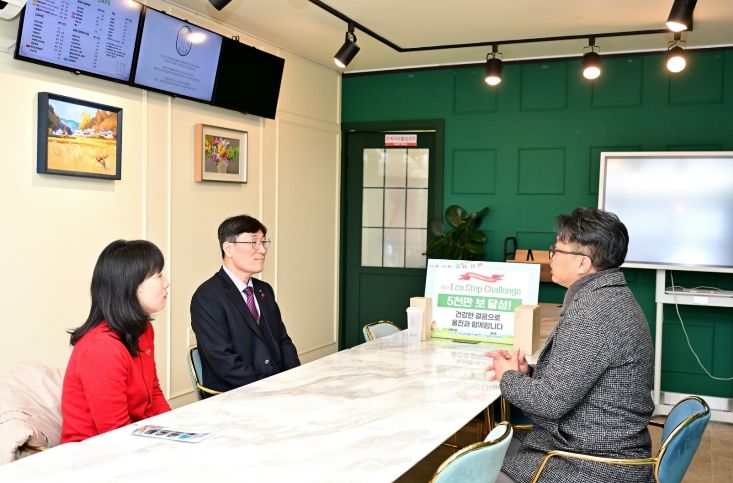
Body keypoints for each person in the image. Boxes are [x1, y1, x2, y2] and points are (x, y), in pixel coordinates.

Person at [486, 207, 655, 483]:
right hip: (602, 447)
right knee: (495, 450)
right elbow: (574, 380)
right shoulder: (611, 297)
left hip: (593, 464)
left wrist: (508, 376)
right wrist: (527, 373)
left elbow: (550, 402)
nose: (550, 256)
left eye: (556, 249)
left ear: (582, 264)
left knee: (480, 467)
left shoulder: (592, 313)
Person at [61, 240, 171, 443]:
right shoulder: (101, 348)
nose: (166, 283)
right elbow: (114, 433)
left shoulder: (144, 329)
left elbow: (153, 392)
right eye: (158, 275)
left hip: (137, 436)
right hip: (95, 451)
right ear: (130, 285)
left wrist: (175, 428)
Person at [190, 214, 300, 392]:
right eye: (253, 242)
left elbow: (283, 341)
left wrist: (296, 378)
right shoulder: (207, 297)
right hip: (236, 394)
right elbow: (224, 362)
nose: (262, 250)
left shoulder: (264, 290)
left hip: (279, 387)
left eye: (264, 242)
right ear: (228, 248)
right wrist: (272, 387)